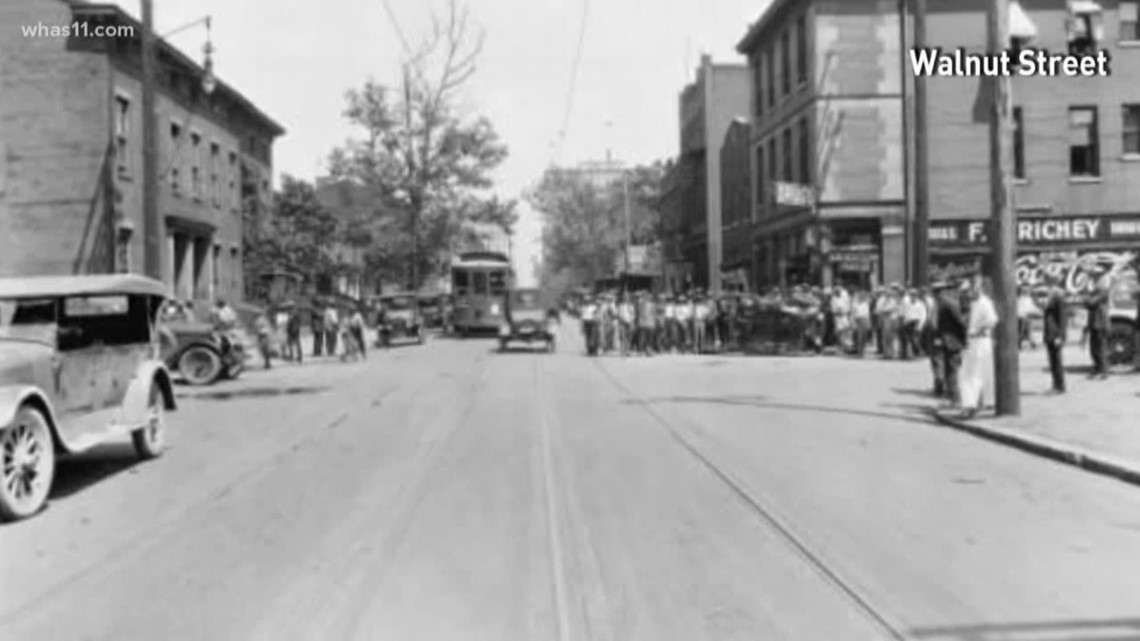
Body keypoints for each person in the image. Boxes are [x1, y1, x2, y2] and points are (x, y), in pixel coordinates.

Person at [958, 277, 998, 418]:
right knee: (979, 374)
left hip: (979, 341)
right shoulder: (974, 304)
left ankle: (970, 405)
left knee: (970, 374)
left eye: (969, 291)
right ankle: (984, 401)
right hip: (974, 341)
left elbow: (992, 320)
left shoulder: (984, 303)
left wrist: (978, 330)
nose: (967, 294)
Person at [936, 280, 968, 405]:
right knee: (950, 369)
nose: (937, 294)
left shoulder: (948, 304)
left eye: (939, 292)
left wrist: (964, 338)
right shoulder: (947, 303)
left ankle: (955, 398)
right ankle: (953, 397)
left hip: (952, 340)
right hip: (949, 340)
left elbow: (960, 322)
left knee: (952, 370)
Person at [1042, 277, 1067, 394]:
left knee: (1057, 361)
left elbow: (1062, 318)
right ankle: (1055, 384)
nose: (1048, 287)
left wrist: (1060, 336)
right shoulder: (1050, 297)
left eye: (1050, 284)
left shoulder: (1058, 297)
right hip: (1049, 332)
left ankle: (1060, 386)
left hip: (1055, 332)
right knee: (1052, 361)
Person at [1083, 274, 1111, 380]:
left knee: (1101, 349)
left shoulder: (1103, 292)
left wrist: (1087, 295)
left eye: (1097, 280)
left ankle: (1103, 371)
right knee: (1093, 349)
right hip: (1094, 323)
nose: (1095, 282)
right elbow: (1086, 304)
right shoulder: (1095, 292)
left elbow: (1091, 303)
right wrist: (1088, 295)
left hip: (1101, 324)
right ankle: (1097, 368)